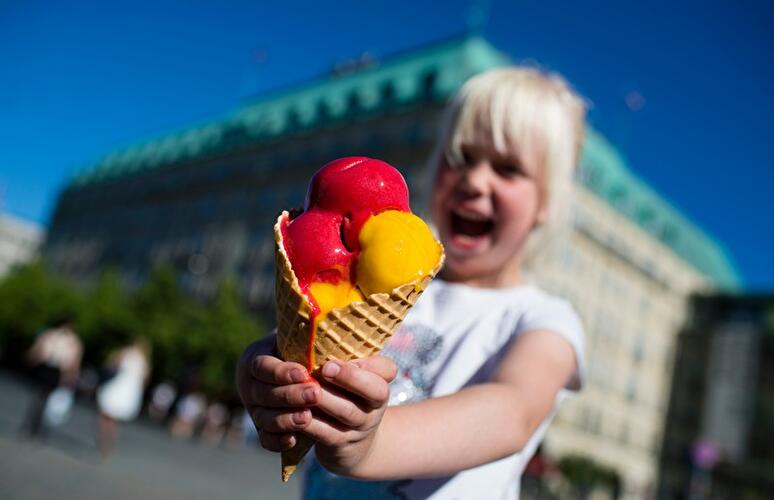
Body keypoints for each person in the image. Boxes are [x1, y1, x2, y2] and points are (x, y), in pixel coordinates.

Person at [236, 66, 587, 499]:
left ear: (546, 203)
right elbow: (298, 341)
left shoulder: (543, 318)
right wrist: (259, 367)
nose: (475, 181)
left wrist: (371, 444)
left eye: (508, 169)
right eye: (460, 157)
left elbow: (513, 412)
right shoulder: (384, 280)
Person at [23, 319, 83, 438]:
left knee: (46, 399)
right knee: (41, 397)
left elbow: (73, 361)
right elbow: (40, 350)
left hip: (58, 371)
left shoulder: (73, 341)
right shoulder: (52, 335)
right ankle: (34, 424)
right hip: (48, 367)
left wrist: (70, 376)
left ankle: (39, 425)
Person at [95, 338, 151, 457]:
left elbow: (110, 363)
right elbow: (144, 380)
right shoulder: (144, 362)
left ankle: (103, 436)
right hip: (130, 391)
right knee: (115, 420)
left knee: (106, 414)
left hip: (118, 386)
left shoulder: (126, 353)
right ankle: (109, 440)